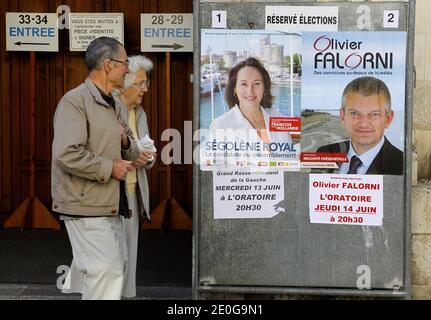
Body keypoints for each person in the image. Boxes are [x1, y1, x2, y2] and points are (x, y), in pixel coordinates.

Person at [52, 37, 141, 300]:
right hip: (85, 204)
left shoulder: (116, 103)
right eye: (125, 63)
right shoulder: (74, 102)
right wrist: (109, 167)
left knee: (110, 271)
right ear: (108, 64)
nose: (128, 69)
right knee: (107, 271)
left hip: (112, 203)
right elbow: (66, 153)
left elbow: (132, 150)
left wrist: (125, 141)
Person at [115, 55, 157, 298]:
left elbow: (145, 155)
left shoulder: (139, 113)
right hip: (110, 196)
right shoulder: (109, 108)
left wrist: (148, 158)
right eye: (141, 83)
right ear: (125, 82)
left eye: (146, 83)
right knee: (111, 261)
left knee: (129, 259)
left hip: (132, 193)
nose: (145, 89)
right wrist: (133, 156)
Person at [208, 57, 293, 166]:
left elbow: (290, 162)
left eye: (256, 84)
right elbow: (216, 172)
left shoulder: (279, 119)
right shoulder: (220, 125)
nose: (250, 91)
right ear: (234, 89)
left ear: (265, 88)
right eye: (244, 84)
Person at [317, 76, 403, 175]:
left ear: (388, 119)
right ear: (342, 116)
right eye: (354, 113)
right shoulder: (324, 153)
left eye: (375, 114)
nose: (363, 123)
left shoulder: (401, 164)